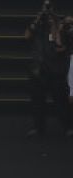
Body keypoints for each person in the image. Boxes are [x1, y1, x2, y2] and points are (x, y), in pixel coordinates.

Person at [25, 0, 72, 136]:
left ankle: (68, 126)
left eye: (49, 7)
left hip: (56, 70)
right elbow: (26, 35)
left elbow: (60, 44)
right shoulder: (38, 26)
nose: (47, 11)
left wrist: (55, 21)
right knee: (37, 101)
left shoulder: (61, 25)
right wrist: (39, 17)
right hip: (38, 70)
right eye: (45, 7)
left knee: (60, 101)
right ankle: (38, 128)